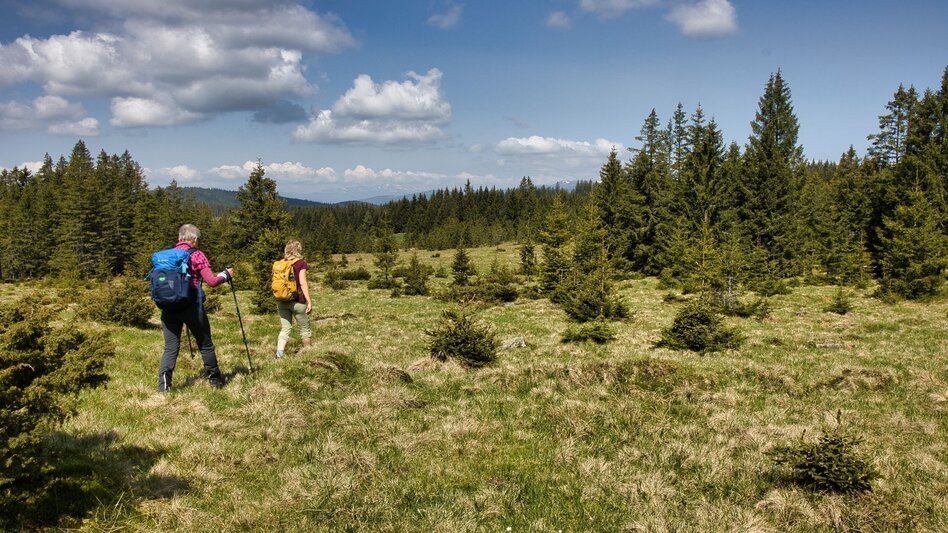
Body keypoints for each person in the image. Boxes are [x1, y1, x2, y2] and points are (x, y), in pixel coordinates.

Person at [157, 224, 233, 392]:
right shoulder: (197, 255)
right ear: (195, 239)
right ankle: (215, 381)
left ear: (179, 238)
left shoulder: (167, 256)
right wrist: (226, 275)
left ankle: (164, 387)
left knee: (170, 347)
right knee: (205, 344)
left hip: (169, 307)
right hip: (192, 307)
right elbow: (212, 281)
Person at [276, 240, 312, 358]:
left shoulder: (280, 264)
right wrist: (309, 301)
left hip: (282, 300)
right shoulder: (301, 263)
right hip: (298, 300)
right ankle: (309, 354)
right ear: (298, 249)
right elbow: (303, 283)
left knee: (285, 328)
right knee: (304, 328)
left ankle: (279, 354)